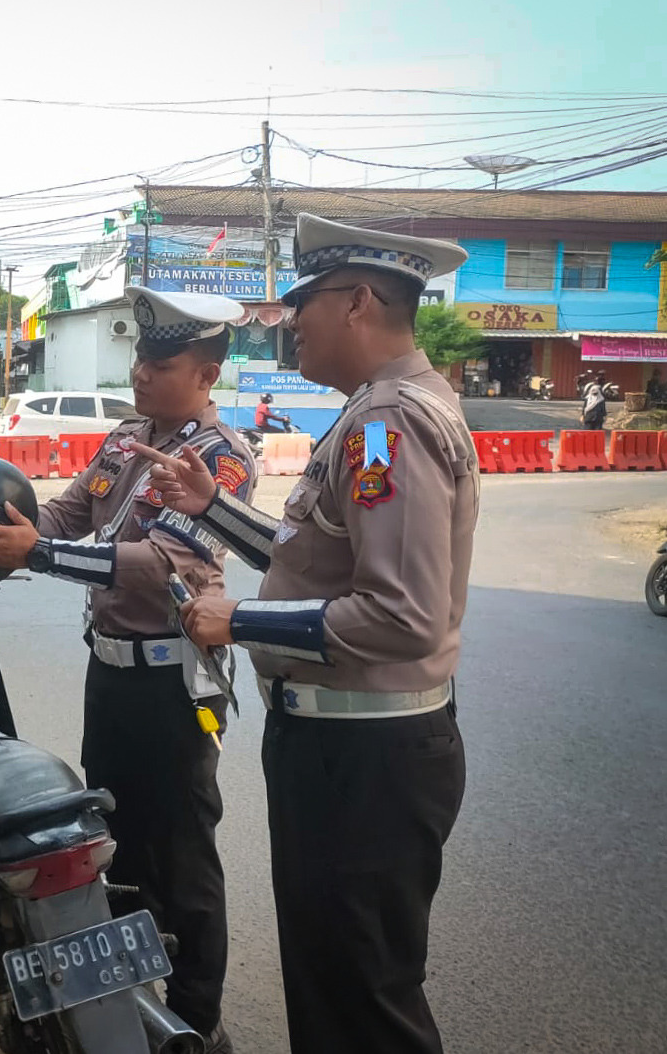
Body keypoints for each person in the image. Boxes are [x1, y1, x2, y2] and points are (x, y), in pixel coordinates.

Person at [145, 214, 477, 1054]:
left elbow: (400, 615)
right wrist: (212, 507)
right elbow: (318, 558)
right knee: (336, 991)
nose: (289, 320)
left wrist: (237, 617)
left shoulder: (384, 424)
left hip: (362, 761)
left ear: (358, 301)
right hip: (348, 751)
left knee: (360, 1004)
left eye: (304, 302)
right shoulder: (372, 412)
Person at [0, 287, 258, 1054]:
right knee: (109, 837)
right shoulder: (124, 440)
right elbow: (65, 514)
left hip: (171, 681)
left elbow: (162, 565)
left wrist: (41, 554)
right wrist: (1, 532)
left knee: (182, 852)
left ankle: (194, 1016)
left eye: (161, 362)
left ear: (206, 373)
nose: (141, 373)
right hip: (111, 672)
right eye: (138, 357)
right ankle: (119, 1003)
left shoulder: (217, 459)